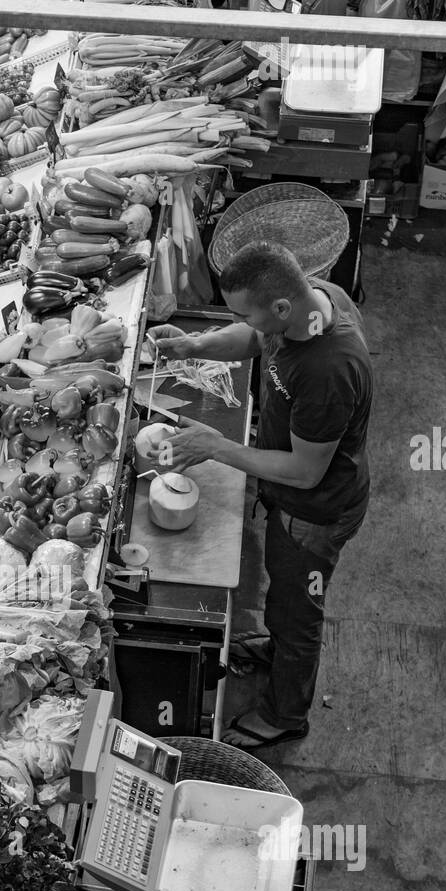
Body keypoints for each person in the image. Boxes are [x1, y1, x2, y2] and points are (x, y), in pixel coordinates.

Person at [148, 241, 372, 753]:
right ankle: (275, 645)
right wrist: (193, 345)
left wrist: (218, 446)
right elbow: (253, 337)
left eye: (246, 310)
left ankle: (285, 715)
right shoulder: (311, 301)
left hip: (314, 513)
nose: (242, 321)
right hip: (290, 502)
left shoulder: (328, 370)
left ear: (281, 307)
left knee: (300, 613)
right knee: (284, 591)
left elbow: (304, 471)